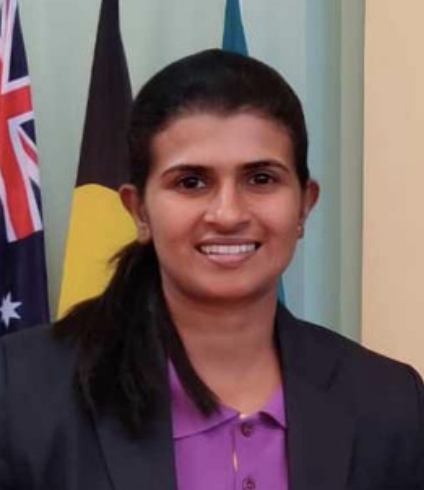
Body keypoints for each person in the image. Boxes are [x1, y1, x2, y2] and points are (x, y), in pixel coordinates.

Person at [0, 49, 423, 490]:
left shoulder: (390, 401)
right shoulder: (20, 390)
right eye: (191, 182)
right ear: (139, 211)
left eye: (261, 179)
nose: (228, 213)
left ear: (304, 205)